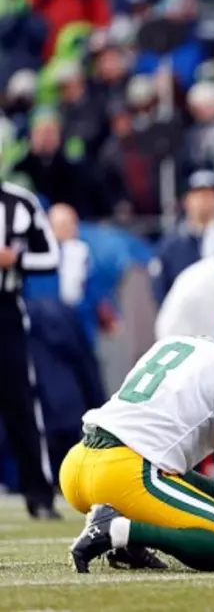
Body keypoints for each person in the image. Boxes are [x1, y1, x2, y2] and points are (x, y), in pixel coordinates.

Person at [60, 280, 214, 573]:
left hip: (78, 466)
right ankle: (120, 531)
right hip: (126, 474)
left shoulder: (175, 343)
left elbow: (153, 447)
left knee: (154, 482)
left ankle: (129, 545)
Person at [0, 181, 61, 519]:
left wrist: (16, 258)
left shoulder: (20, 202)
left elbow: (52, 255)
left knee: (21, 404)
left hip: (6, 310)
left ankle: (38, 494)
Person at [150, 170, 214, 303]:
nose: (204, 201)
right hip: (185, 313)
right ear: (187, 200)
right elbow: (160, 286)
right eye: (199, 195)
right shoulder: (173, 243)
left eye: (209, 195)